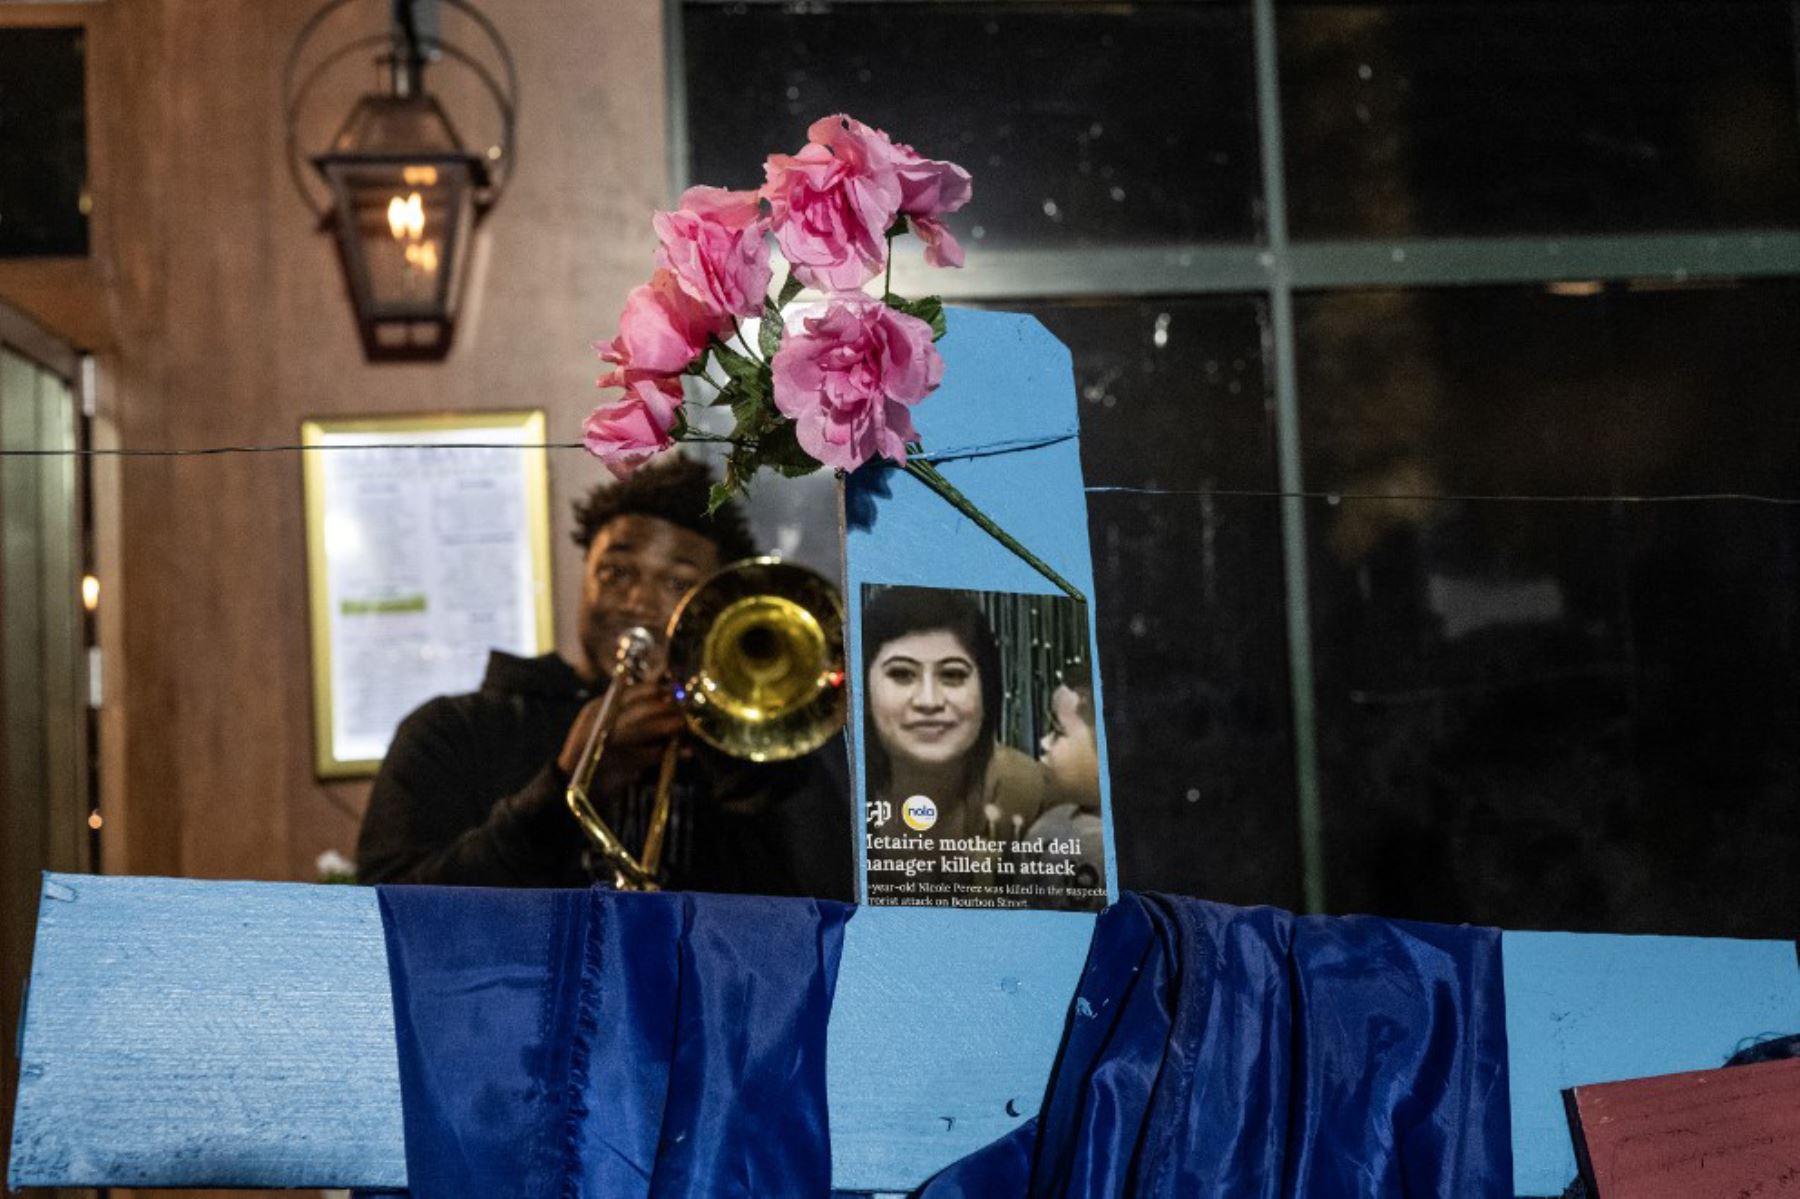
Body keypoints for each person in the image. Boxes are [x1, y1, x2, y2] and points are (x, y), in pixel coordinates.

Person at [356, 455, 852, 899]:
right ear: (584, 578)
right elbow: (390, 911)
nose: (637, 602)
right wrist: (567, 785)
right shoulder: (453, 731)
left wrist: (737, 771)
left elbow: (827, 906)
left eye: (677, 582)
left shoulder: (762, 752)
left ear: (716, 607)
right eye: (616, 573)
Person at [861, 586, 1046, 900]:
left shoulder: (1033, 794)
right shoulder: (828, 796)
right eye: (902, 674)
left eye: (953, 675)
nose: (929, 701)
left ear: (987, 689)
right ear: (862, 690)